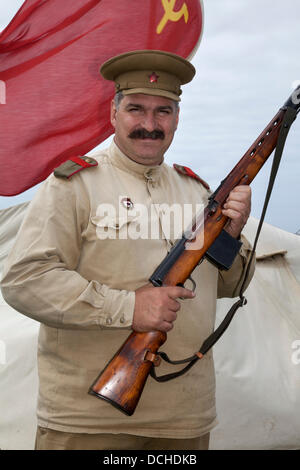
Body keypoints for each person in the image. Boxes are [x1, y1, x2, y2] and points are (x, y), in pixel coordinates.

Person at [1, 50, 254, 450]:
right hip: (86, 421)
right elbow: (24, 280)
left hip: (184, 420)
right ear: (114, 113)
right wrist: (128, 308)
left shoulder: (199, 193)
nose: (150, 125)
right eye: (136, 109)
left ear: (176, 118)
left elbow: (228, 285)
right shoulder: (73, 185)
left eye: (164, 111)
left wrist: (232, 234)